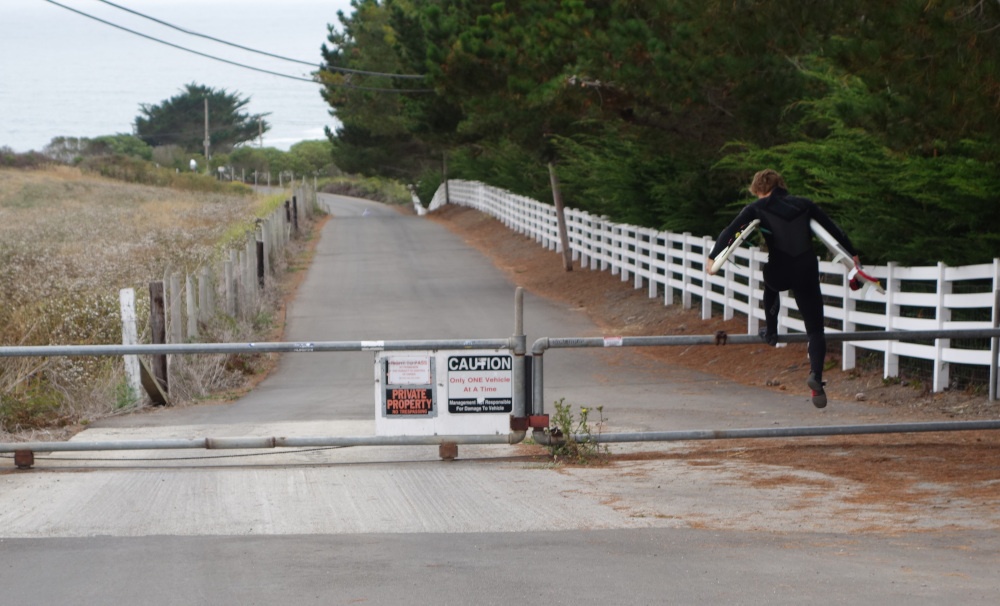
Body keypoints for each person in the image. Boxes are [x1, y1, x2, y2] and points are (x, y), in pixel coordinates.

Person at [707, 169, 861, 408]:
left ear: (760, 189)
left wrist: (712, 258)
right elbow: (835, 232)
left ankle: (771, 331)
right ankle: (816, 378)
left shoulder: (756, 208)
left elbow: (730, 232)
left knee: (770, 281)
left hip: (780, 270)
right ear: (780, 184)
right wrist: (854, 256)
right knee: (815, 329)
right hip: (807, 270)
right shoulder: (805, 204)